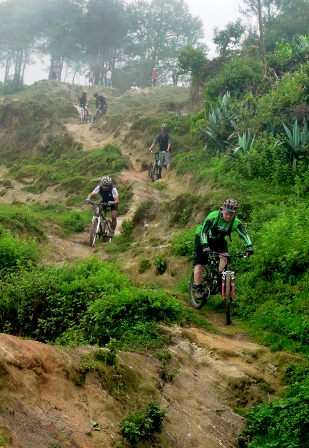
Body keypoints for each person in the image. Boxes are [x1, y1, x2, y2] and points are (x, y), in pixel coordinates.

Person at [193, 199, 254, 299]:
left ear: (234, 214)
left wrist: (249, 246)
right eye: (226, 213)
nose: (228, 216)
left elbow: (243, 234)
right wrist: (205, 246)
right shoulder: (213, 216)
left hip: (218, 239)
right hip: (202, 237)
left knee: (224, 256)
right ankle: (198, 289)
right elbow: (204, 231)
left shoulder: (235, 222)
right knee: (200, 262)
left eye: (231, 214)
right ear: (222, 210)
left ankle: (220, 278)